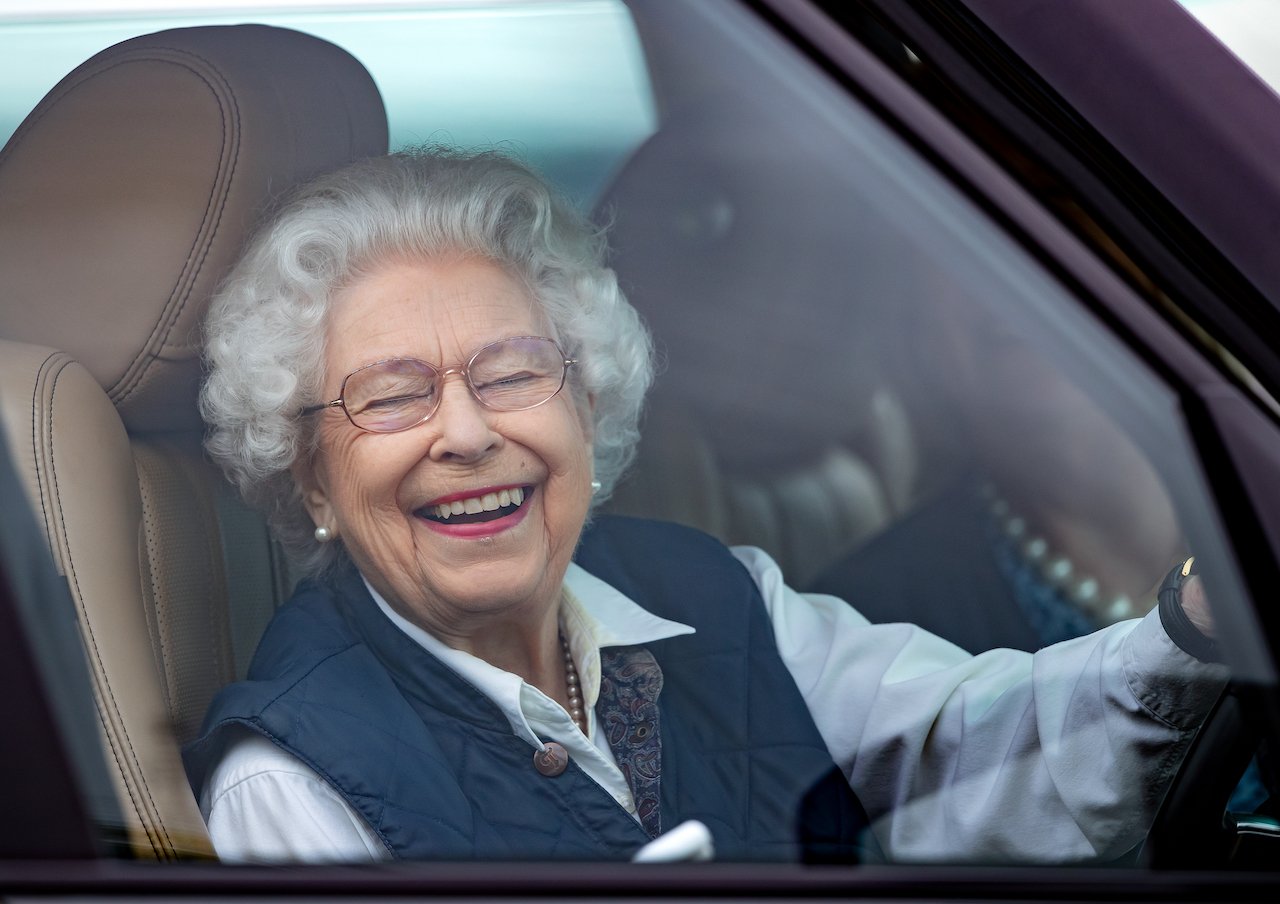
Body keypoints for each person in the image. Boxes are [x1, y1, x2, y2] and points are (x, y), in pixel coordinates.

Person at [185, 148, 1226, 865]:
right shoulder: (289, 782)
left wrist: (1197, 619)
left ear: (586, 408)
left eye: (510, 373)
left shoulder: (717, 600)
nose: (463, 432)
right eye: (394, 394)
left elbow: (990, 747)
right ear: (313, 477)